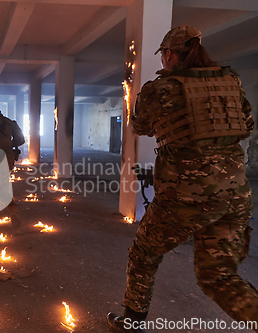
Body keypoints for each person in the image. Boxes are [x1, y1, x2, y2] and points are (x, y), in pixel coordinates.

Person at [107, 26, 258, 333]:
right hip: (235, 193)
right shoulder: (231, 82)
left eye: (164, 54)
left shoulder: (160, 89)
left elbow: (140, 127)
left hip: (187, 196)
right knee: (219, 276)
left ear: (170, 54)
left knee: (144, 253)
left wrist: (136, 101)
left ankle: (132, 321)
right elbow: (248, 124)